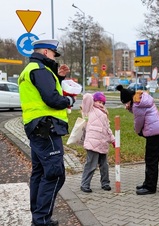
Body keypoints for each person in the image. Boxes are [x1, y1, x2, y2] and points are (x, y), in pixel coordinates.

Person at [18, 39, 75, 226]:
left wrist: (58, 78)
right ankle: (41, 220)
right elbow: (51, 98)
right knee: (54, 174)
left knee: (39, 173)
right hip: (46, 128)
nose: (54, 57)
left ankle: (39, 217)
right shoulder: (40, 70)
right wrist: (68, 102)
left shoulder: (31, 70)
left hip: (36, 128)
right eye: (53, 54)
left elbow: (40, 93)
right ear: (45, 52)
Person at [116, 85, 159, 195]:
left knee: (151, 160)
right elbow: (140, 113)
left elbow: (138, 121)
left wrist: (137, 131)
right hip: (157, 130)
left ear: (129, 99)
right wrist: (130, 108)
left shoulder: (137, 105)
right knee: (151, 159)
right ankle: (147, 183)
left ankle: (150, 187)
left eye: (126, 103)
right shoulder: (141, 99)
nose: (126, 105)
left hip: (153, 132)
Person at [80, 92, 115, 193]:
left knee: (104, 165)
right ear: (94, 101)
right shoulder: (89, 109)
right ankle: (85, 184)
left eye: (102, 102)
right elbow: (86, 97)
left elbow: (107, 129)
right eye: (98, 101)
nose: (100, 104)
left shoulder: (104, 113)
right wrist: (92, 97)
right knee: (91, 164)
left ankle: (105, 183)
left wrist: (112, 140)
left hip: (103, 142)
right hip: (93, 142)